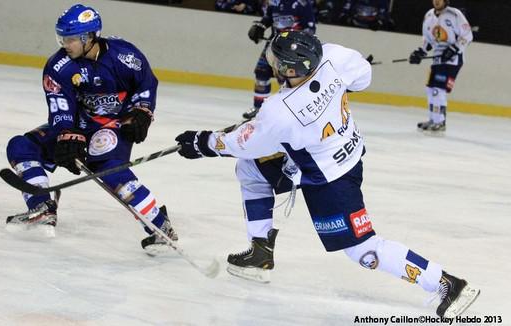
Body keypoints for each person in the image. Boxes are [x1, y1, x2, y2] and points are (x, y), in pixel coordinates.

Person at [175, 31, 480, 317]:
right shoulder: (333, 57)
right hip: (340, 149)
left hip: (329, 178)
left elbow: (240, 144)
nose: (274, 64)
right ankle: (260, 251)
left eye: (278, 61)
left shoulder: (279, 112)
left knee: (363, 250)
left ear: (291, 70)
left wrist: (201, 142)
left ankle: (447, 283)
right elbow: (363, 77)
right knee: (251, 170)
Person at [5, 4, 177, 253]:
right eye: (61, 37)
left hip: (113, 124)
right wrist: (67, 136)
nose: (64, 43)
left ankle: (160, 226)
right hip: (79, 122)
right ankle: (41, 207)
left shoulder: (125, 56)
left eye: (71, 38)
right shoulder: (58, 66)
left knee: (111, 171)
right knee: (21, 146)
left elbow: (146, 84)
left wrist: (142, 112)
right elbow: (60, 106)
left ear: (89, 37)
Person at [243, 0, 316, 119]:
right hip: (273, 45)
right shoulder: (274, 2)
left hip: (290, 50)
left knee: (286, 79)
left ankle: (292, 110)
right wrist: (260, 26)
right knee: (261, 72)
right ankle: (259, 108)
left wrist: (298, 44)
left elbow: (310, 28)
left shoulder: (302, 3)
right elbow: (268, 18)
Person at [409, 0, 472, 132]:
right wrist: (420, 52)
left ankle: (440, 122)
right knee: (431, 89)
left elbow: (467, 35)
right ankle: (433, 119)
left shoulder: (455, 14)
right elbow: (428, 40)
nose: (437, 1)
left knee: (438, 89)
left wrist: (453, 49)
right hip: (437, 59)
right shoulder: (429, 16)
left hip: (453, 60)